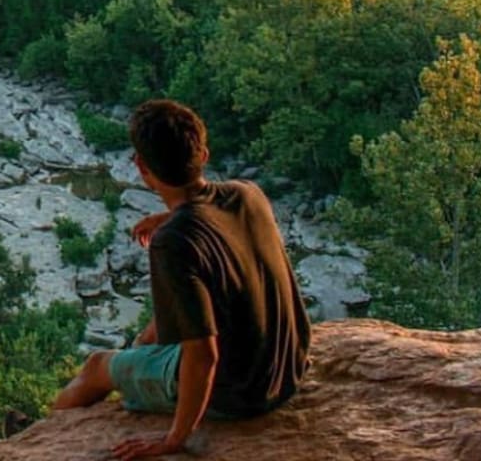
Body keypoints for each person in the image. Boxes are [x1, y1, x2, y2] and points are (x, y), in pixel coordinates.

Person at [51, 99, 310, 460]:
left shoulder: (175, 242)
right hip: (287, 369)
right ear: (203, 153)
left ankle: (38, 435)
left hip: (239, 393)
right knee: (146, 340)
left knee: (97, 366)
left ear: (141, 167)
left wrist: (174, 440)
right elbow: (212, 209)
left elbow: (203, 355)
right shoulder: (249, 194)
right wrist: (169, 216)